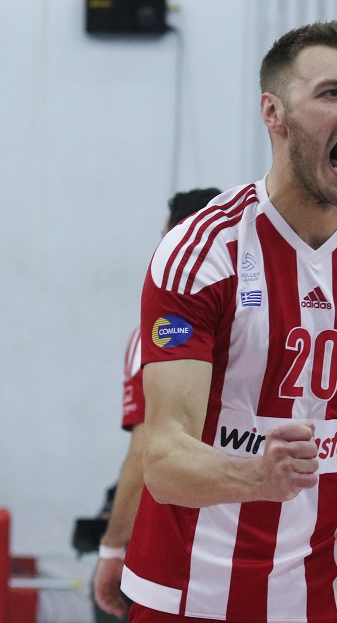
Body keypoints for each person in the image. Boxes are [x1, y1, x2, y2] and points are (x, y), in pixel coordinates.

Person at [120, 21, 337, 623]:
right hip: (194, 593)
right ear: (273, 113)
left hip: (334, 596)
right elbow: (162, 460)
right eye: (333, 93)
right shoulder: (202, 253)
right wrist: (258, 476)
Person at [92, 187, 222, 622]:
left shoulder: (164, 327)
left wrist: (112, 548)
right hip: (270, 546)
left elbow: (145, 452)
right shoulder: (265, 322)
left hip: (182, 552)